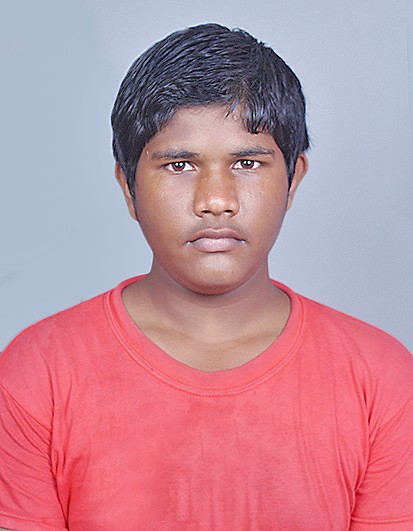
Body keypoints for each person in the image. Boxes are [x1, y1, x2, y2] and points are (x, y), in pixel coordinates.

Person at [0, 23, 412, 530]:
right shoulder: (37, 373)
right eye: (179, 165)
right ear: (128, 188)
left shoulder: (381, 379)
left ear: (292, 181)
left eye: (247, 162)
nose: (216, 200)